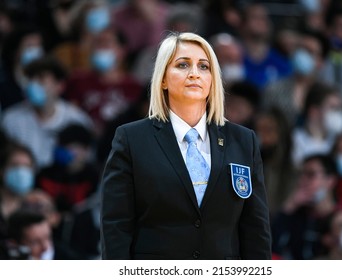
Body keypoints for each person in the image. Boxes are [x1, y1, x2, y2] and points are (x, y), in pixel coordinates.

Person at [100, 32, 271, 260]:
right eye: (182, 65)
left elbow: (255, 228)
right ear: (162, 79)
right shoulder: (131, 138)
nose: (194, 74)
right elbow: (116, 226)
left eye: (203, 67)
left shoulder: (243, 140)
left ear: (213, 80)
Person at [271, 154, 338, 259]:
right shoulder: (293, 215)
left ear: (330, 180)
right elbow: (270, 247)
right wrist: (290, 205)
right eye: (301, 175)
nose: (302, 181)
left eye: (311, 174)